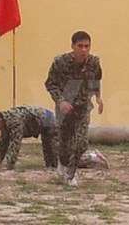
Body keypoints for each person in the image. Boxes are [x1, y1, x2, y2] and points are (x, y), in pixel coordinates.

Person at [45, 30, 103, 187]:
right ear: (73, 46)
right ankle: (62, 165)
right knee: (65, 143)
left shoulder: (93, 62)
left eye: (87, 46)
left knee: (82, 142)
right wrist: (61, 100)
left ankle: (70, 174)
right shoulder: (60, 62)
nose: (84, 50)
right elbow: (50, 84)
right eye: (80, 46)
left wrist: (97, 97)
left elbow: (95, 80)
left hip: (83, 107)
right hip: (64, 108)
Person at [0, 105, 58, 170]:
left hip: (48, 118)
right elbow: (3, 143)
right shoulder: (5, 122)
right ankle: (51, 166)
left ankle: (58, 167)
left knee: (50, 145)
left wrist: (9, 165)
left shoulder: (15, 121)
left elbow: (15, 144)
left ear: (0, 121)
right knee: (47, 149)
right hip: (40, 121)